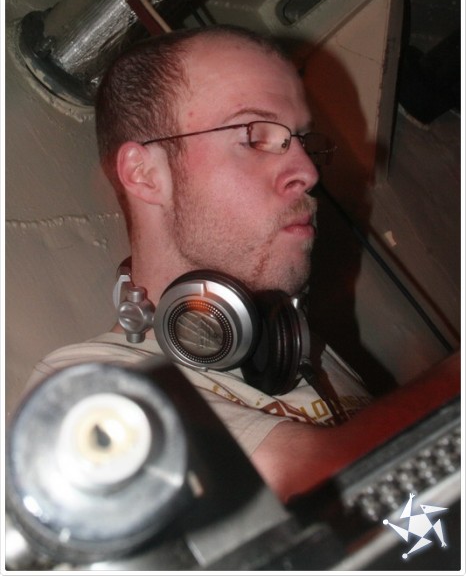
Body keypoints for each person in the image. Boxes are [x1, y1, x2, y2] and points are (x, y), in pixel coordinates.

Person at [24, 25, 460, 504]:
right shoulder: (91, 391)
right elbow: (316, 489)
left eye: (302, 141)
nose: (308, 172)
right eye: (255, 137)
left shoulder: (291, 347)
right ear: (145, 174)